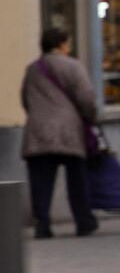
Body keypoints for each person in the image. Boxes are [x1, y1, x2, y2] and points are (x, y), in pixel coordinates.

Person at [19, 28, 99, 239]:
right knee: (77, 180)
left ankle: (42, 224)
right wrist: (91, 117)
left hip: (38, 131)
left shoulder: (32, 70)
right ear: (62, 44)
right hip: (69, 131)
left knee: (41, 182)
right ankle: (83, 221)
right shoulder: (73, 66)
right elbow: (86, 97)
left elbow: (25, 99)